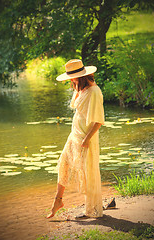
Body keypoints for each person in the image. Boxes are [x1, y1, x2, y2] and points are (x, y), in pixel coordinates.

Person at [47, 59, 105, 219]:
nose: (71, 81)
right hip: (75, 134)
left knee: (88, 171)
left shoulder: (94, 91)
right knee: (63, 163)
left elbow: (98, 120)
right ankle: (57, 201)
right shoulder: (81, 88)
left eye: (73, 78)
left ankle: (92, 208)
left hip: (86, 137)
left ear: (81, 76)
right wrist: (77, 89)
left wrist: (87, 139)